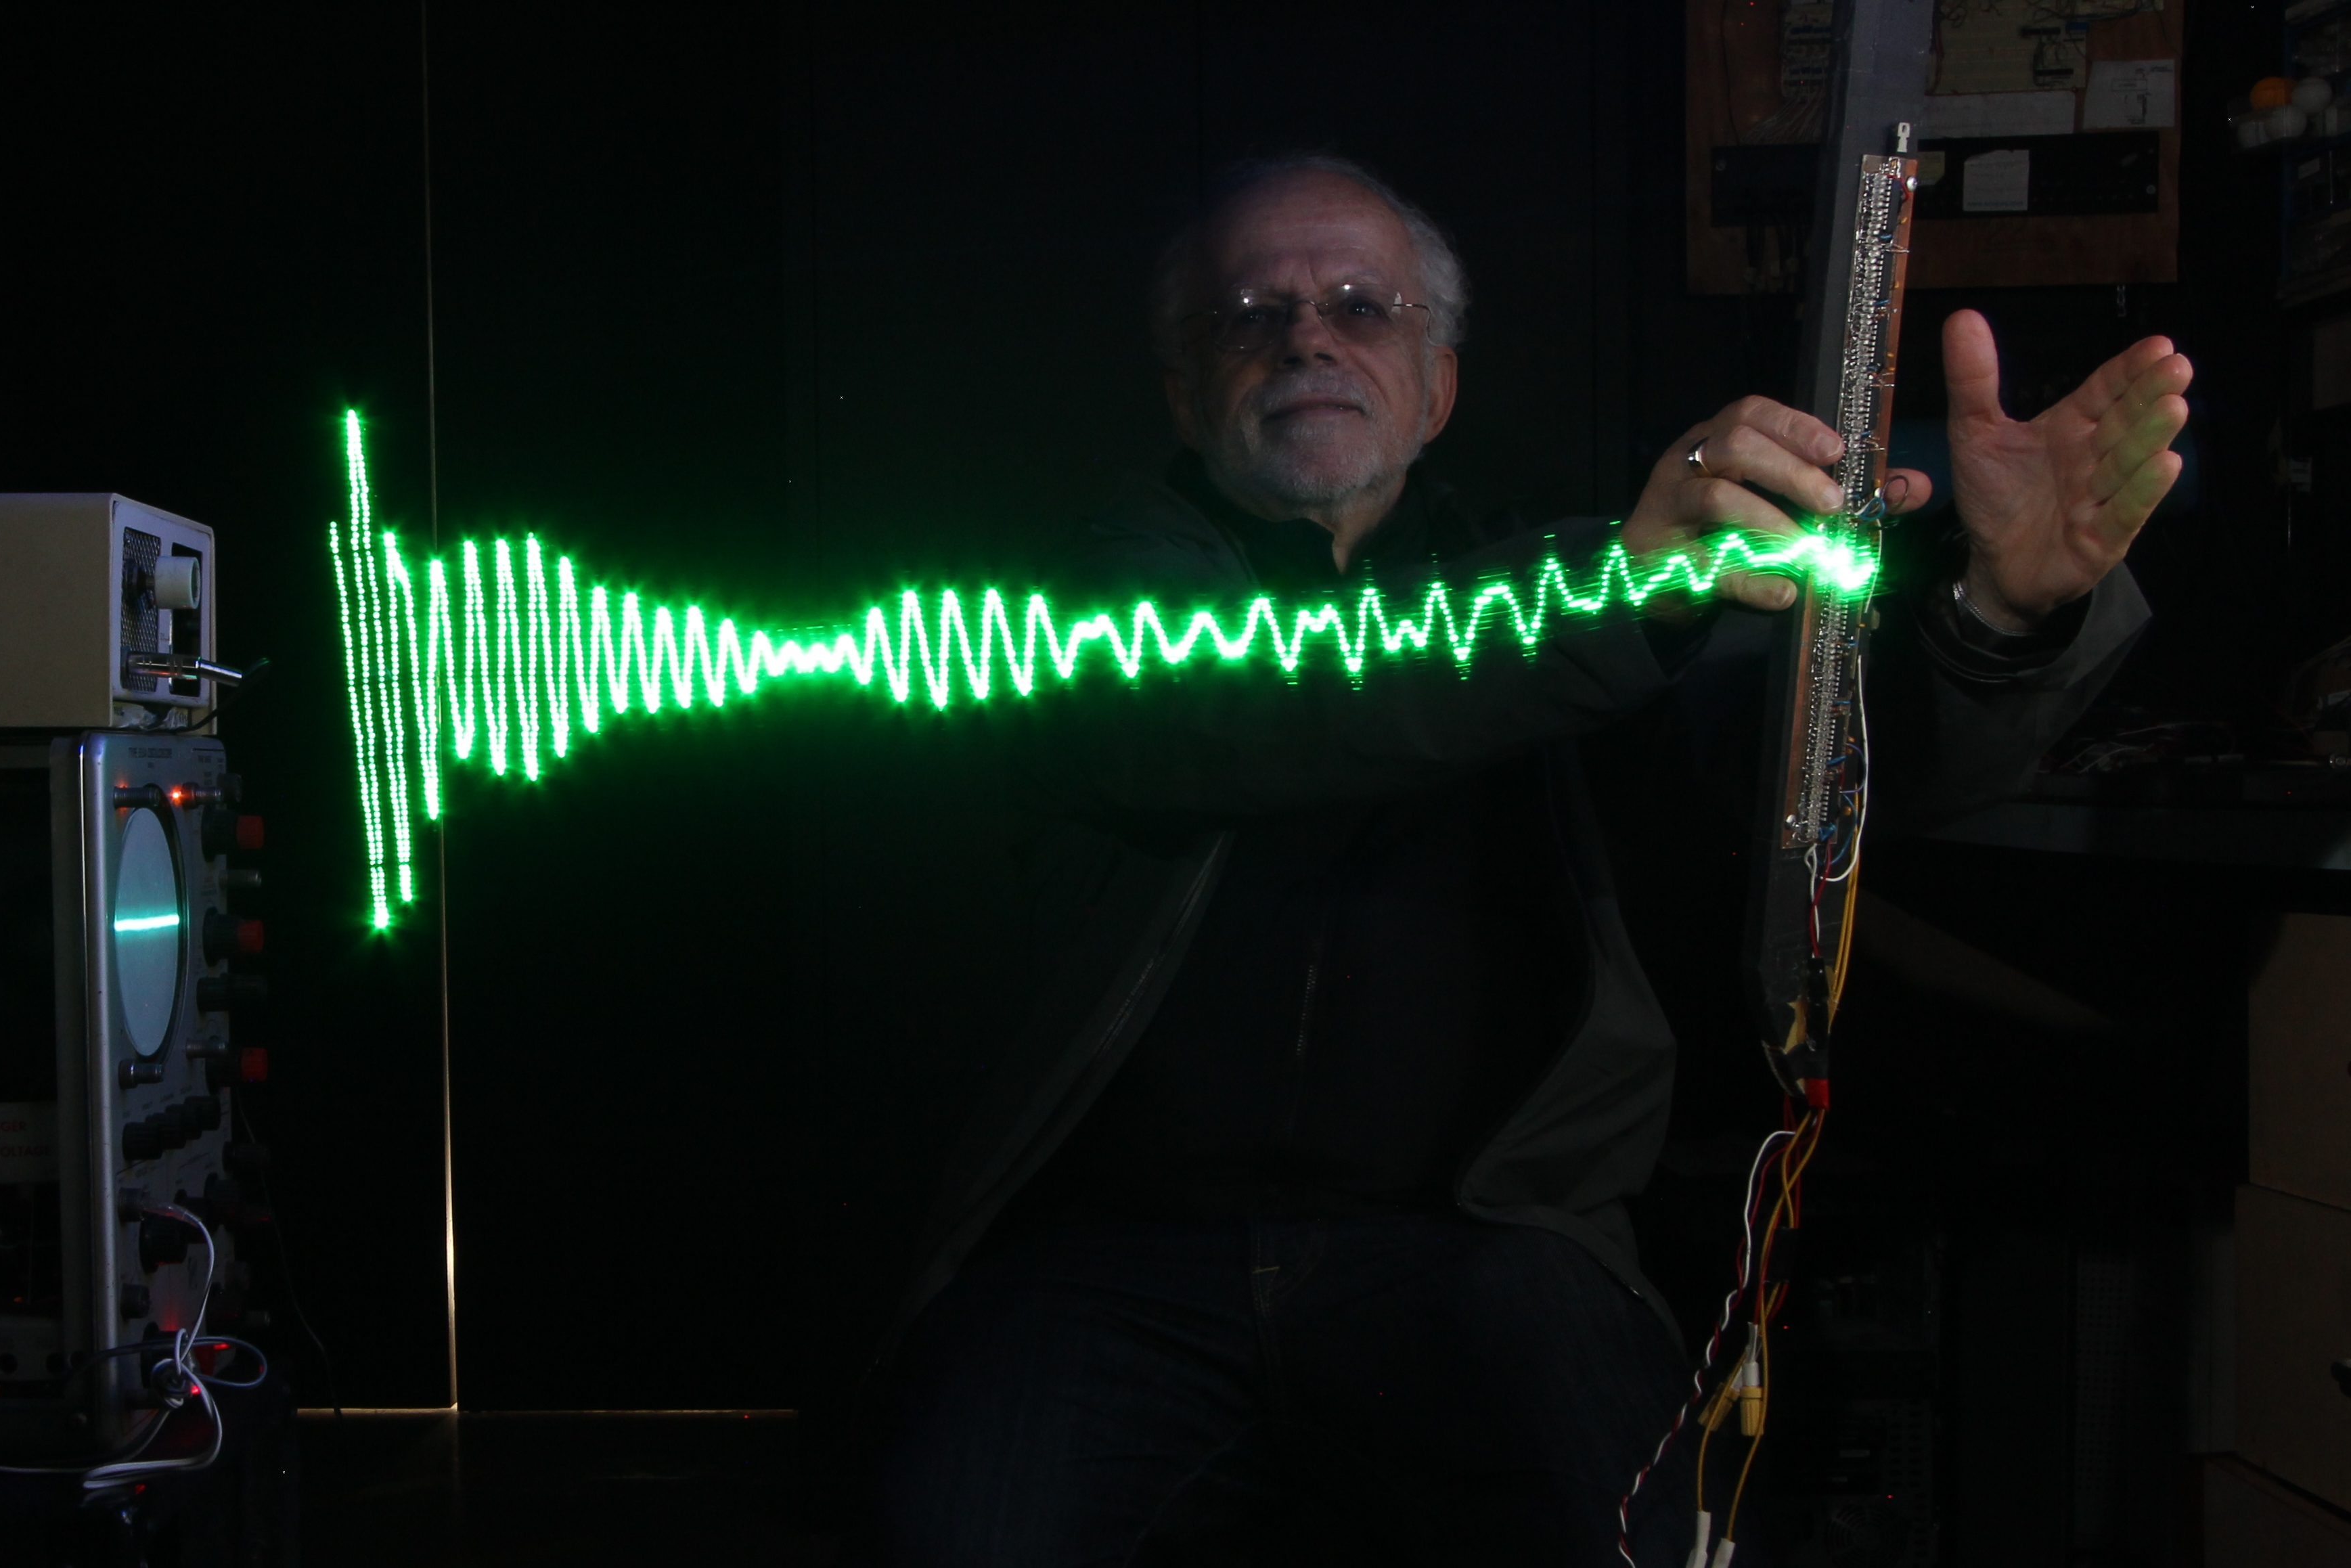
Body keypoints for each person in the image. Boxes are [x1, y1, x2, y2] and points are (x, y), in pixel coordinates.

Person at [864, 156, 2189, 1565]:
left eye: (1359, 306)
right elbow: (1253, 703)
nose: (1305, 337)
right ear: (1185, 395)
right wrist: (1615, 596)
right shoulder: (1091, 597)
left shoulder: (1570, 592)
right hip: (1115, 1262)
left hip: (1482, 1251)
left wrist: (2000, 616)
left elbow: (1839, 771)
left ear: (1435, 388)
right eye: (1248, 315)